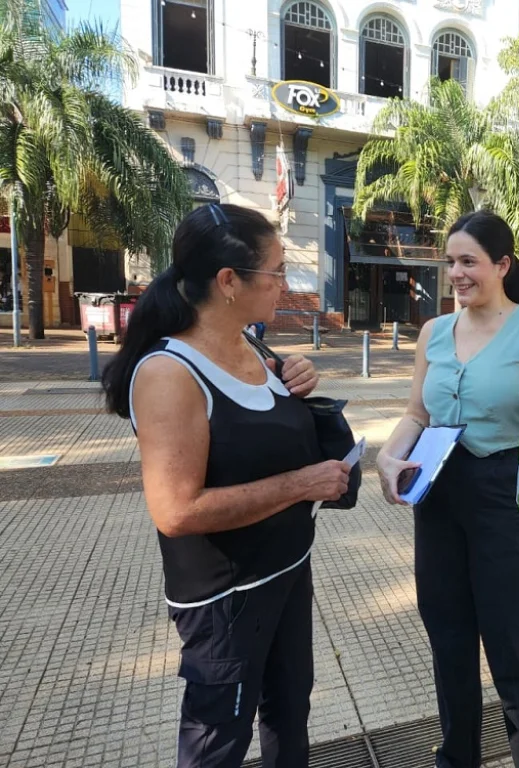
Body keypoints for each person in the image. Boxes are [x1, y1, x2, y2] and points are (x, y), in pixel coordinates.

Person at [102, 204, 351, 768]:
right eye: (276, 272)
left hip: (287, 572)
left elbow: (265, 436)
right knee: (218, 743)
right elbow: (176, 510)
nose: (284, 284)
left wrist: (301, 385)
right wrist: (300, 483)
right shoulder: (170, 373)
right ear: (229, 282)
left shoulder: (256, 350)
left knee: (290, 713)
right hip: (226, 601)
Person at [376, 210, 519, 768]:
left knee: (517, 647)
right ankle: (456, 758)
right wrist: (390, 456)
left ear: (502, 265)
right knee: (449, 638)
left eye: (469, 261)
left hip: (504, 498)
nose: (457, 274)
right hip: (436, 494)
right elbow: (418, 411)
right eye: (451, 262)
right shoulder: (435, 332)